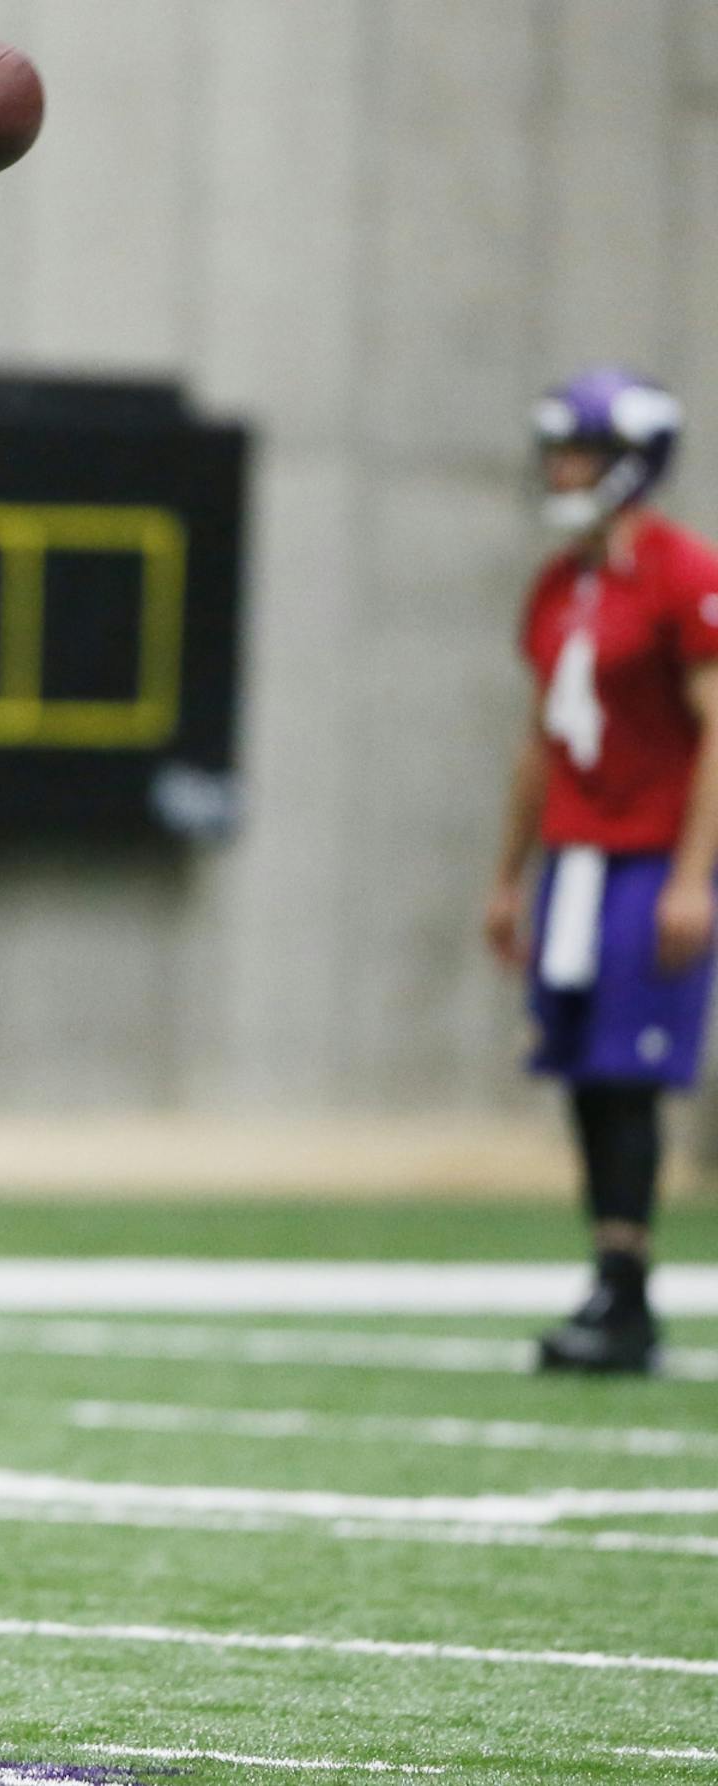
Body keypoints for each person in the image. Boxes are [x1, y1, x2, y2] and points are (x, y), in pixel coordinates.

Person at [484, 367, 718, 1375]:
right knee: (581, 1067)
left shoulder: (680, 572)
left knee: (628, 1071)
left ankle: (627, 1292)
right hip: (576, 856)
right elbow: (542, 739)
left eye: (580, 451)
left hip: (650, 852)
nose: (563, 469)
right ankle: (609, 1272)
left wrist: (691, 876)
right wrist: (506, 875)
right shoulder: (558, 582)